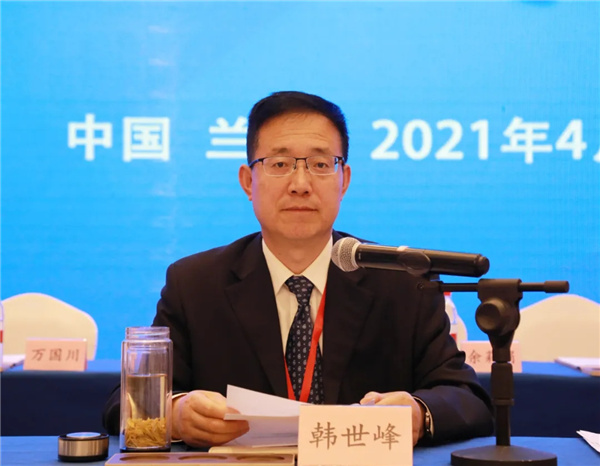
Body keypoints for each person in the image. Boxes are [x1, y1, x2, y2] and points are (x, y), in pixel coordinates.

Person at [103, 91, 493, 447]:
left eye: (321, 164)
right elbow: (123, 404)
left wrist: (418, 414)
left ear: (344, 180)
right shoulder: (196, 285)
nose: (301, 184)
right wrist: (175, 413)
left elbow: (468, 400)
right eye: (280, 164)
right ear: (248, 181)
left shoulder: (401, 281)